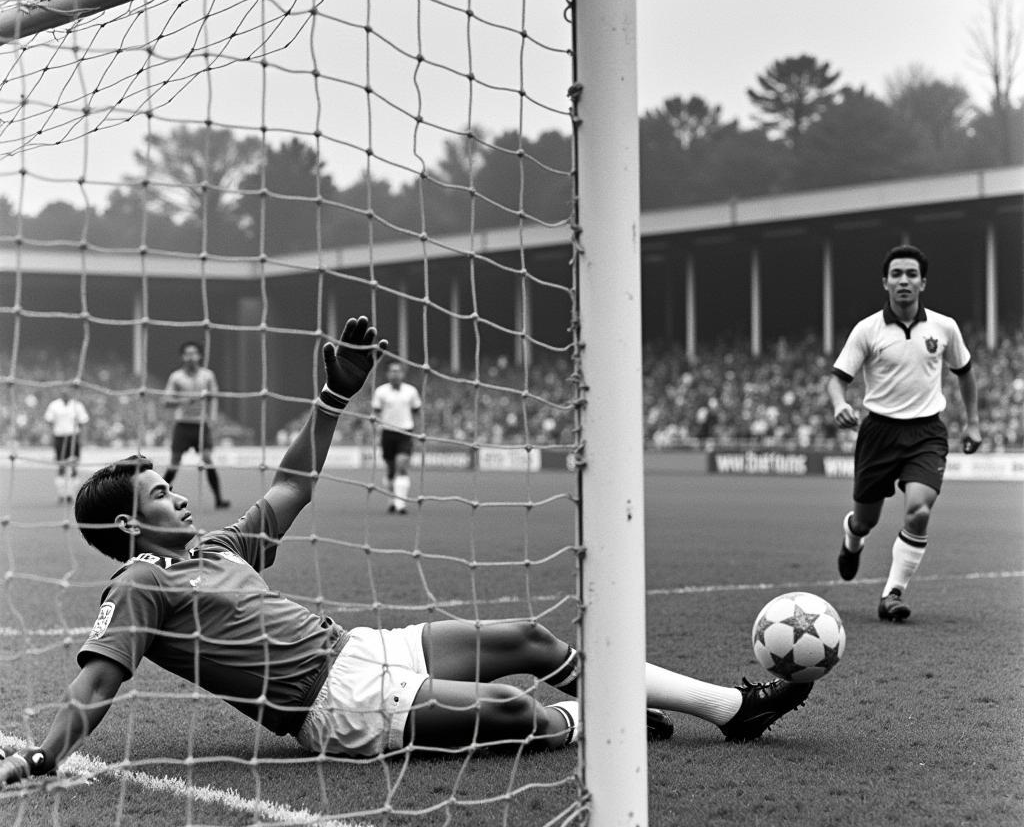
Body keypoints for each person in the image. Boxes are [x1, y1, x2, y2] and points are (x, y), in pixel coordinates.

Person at [0, 316, 814, 787]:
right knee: (513, 713)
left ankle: (729, 710)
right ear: (133, 529)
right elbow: (100, 678)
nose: (175, 492)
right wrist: (46, 753)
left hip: (357, 647)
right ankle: (601, 719)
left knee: (530, 639)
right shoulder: (140, 580)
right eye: (157, 495)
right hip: (332, 709)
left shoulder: (212, 547)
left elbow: (291, 487)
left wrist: (332, 397)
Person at [827, 244, 982, 622]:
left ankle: (892, 594)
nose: (904, 281)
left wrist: (973, 421)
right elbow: (837, 379)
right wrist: (840, 404)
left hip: (927, 433)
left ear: (923, 282)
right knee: (867, 520)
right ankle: (852, 539)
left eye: (911, 274)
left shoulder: (944, 327)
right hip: (878, 432)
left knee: (919, 510)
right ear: (885, 282)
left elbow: (965, 373)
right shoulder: (868, 329)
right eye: (896, 274)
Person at [163, 341, 229, 509]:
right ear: (182, 356)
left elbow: (214, 396)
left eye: (194, 353)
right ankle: (158, 497)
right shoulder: (176, 377)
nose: (191, 357)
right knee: (174, 462)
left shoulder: (207, 376)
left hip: (201, 425)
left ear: (199, 356)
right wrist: (185, 400)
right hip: (182, 425)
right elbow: (166, 401)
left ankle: (219, 499)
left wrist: (212, 418)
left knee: (207, 459)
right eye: (187, 353)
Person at [371, 359, 422, 514]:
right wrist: (374, 431)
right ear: (387, 374)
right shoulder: (380, 391)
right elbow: (375, 413)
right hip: (387, 433)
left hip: (405, 432)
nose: (395, 374)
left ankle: (400, 504)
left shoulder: (411, 391)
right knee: (390, 470)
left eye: (398, 371)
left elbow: (417, 411)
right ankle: (392, 500)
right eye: (392, 371)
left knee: (401, 466)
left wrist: (419, 432)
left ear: (402, 373)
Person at [43, 387, 90, 504]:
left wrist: (83, 438)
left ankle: (71, 493)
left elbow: (83, 422)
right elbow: (48, 420)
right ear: (60, 394)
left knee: (74, 465)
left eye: (67, 393)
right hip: (59, 437)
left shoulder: (77, 405)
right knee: (61, 465)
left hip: (73, 437)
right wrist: (50, 436)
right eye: (63, 393)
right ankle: (61, 493)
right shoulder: (54, 405)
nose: (65, 394)